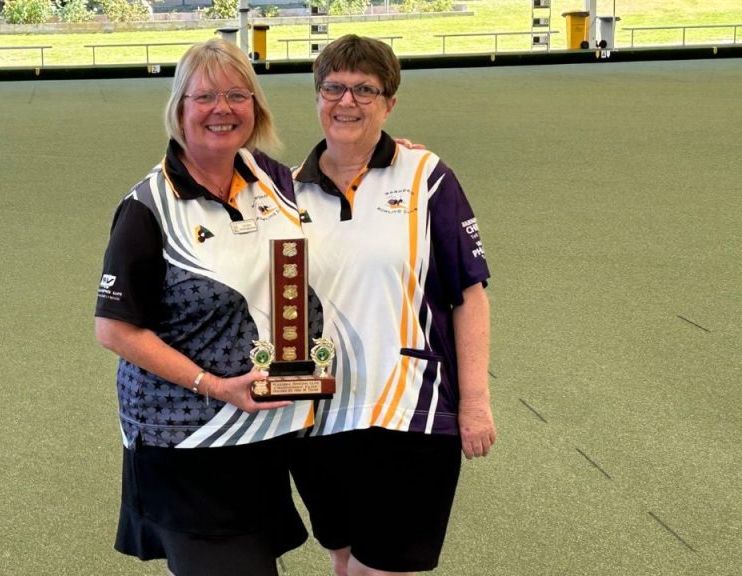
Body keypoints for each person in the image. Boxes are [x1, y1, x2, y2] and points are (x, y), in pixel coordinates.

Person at [94, 39, 319, 576]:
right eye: (206, 97)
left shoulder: (275, 181)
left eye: (237, 95)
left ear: (256, 107)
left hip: (265, 434)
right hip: (185, 440)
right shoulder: (147, 206)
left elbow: (340, 186)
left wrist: (388, 152)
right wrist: (214, 386)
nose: (223, 109)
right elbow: (114, 330)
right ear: (180, 108)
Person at [289, 35, 497, 576]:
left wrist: (475, 402)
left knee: (378, 570)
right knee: (344, 561)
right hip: (319, 418)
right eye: (334, 88)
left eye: (365, 90)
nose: (347, 101)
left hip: (413, 413)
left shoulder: (426, 176)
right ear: (317, 96)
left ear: (389, 103)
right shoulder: (286, 193)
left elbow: (468, 295)